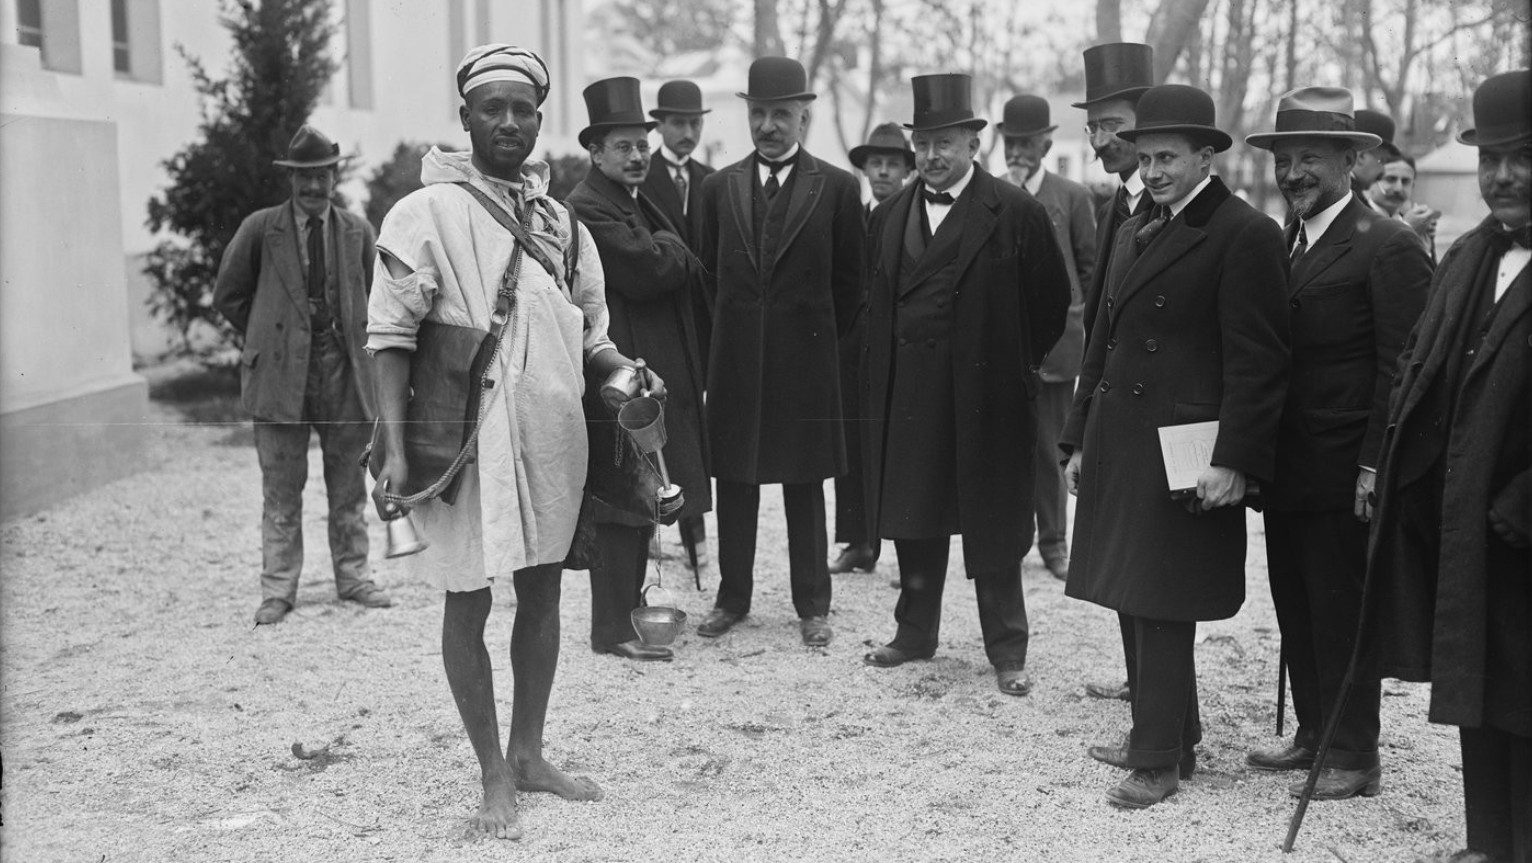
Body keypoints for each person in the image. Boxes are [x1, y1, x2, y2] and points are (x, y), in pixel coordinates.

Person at [366, 44, 659, 840]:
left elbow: (591, 331)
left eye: (522, 109)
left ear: (538, 120)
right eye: (491, 108)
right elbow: (389, 335)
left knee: (543, 590)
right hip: (464, 439)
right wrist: (395, 447)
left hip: (551, 433)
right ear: (465, 117)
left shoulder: (561, 222)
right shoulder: (423, 213)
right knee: (468, 594)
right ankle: (492, 770)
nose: (507, 122)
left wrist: (626, 374)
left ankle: (529, 752)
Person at [1060, 84, 1290, 808]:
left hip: (1187, 450)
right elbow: (1102, 338)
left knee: (1161, 597)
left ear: (1205, 158)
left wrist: (1234, 458)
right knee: (1131, 592)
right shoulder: (1135, 225)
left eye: (1168, 158)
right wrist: (1076, 438)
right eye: (1146, 158)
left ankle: (1156, 759)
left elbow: (1260, 361)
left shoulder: (1244, 233)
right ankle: (1167, 736)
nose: (1153, 171)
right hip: (1122, 437)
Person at [1357, 68, 1530, 863]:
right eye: (1491, 158)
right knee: (1477, 686)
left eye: (1523, 158)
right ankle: (1487, 843)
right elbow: (1421, 368)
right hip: (1469, 520)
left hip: (1521, 522)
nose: (1504, 176)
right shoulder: (1470, 255)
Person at [1243, 87, 1432, 800]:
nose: (1293, 173)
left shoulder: (1388, 244)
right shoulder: (1285, 240)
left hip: (1345, 470)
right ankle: (1315, 733)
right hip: (1288, 468)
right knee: (1296, 602)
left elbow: (1403, 368)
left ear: (1351, 162)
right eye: (1284, 160)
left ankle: (1354, 752)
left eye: (1310, 159)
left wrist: (1374, 464)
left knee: (1340, 609)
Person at [859, 74, 1071, 696]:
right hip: (910, 394)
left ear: (974, 144)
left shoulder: (1016, 212)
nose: (931, 156)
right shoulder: (889, 215)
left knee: (995, 521)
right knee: (913, 513)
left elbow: (1051, 301)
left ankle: (1007, 649)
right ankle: (913, 633)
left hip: (987, 397)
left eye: (944, 143)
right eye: (923, 143)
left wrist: (1010, 364)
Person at [692, 56, 865, 646]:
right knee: (735, 483)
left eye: (781, 114)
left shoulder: (837, 188)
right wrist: (733, 340)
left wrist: (815, 347)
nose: (768, 126)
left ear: (803, 117)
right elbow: (708, 278)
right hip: (737, 364)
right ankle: (732, 599)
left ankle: (813, 604)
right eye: (758, 113)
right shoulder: (717, 189)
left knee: (805, 484)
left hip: (806, 366)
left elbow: (852, 285)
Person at [213, 124, 392, 625]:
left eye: (322, 176)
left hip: (344, 371)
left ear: (334, 177)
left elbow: (378, 298)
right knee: (281, 490)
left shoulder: (357, 231)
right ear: (291, 179)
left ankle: (354, 577)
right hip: (278, 376)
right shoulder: (260, 229)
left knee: (348, 487)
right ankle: (278, 589)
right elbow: (229, 295)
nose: (313, 187)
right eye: (304, 177)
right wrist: (271, 336)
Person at [565, 76, 711, 662]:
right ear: (595, 151)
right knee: (621, 494)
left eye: (643, 145)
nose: (637, 156)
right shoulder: (588, 206)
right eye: (623, 146)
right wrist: (672, 245)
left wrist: (666, 245)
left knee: (642, 491)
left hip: (641, 370)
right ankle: (610, 629)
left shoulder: (628, 200)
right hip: (615, 372)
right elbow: (650, 268)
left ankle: (624, 615)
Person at [1072, 42, 1156, 703]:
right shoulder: (1117, 207)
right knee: (1123, 557)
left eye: (1114, 125)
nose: (1102, 140)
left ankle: (1159, 696)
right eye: (1094, 127)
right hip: (1115, 407)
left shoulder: (1168, 204)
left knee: (1152, 564)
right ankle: (1141, 679)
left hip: (1161, 417)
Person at [997, 93, 1097, 582]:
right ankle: (1009, 539)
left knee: (1051, 446)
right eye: (1010, 143)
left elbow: (1089, 268)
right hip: (1002, 346)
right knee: (1006, 447)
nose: (1017, 152)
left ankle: (1054, 541)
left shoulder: (1071, 196)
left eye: (1026, 143)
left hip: (1056, 345)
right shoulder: (992, 193)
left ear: (1045, 145)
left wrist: (1076, 321)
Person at [831, 122, 915, 577]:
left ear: (906, 170)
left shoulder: (916, 219)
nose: (882, 171)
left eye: (892, 164)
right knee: (852, 444)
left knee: (900, 448)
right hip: (852, 346)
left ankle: (907, 552)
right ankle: (858, 542)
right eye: (875, 163)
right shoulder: (852, 217)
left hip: (899, 348)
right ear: (864, 170)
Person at [642, 78, 714, 573]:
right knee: (661, 422)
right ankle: (655, 526)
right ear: (660, 126)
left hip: (701, 320)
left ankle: (697, 532)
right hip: (660, 317)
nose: (687, 133)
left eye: (694, 123)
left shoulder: (713, 180)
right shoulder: (642, 177)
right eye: (678, 123)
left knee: (694, 425)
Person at [1370, 153, 1440, 258]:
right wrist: (1408, 228)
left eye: (1405, 181)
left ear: (1413, 186)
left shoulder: (1418, 225)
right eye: (1390, 179)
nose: (1398, 188)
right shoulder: (1358, 219)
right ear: (1371, 181)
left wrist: (1424, 252)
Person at [1350, 108, 1397, 212]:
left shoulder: (1348, 192)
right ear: (1362, 157)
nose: (1384, 171)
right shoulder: (1348, 197)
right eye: (1382, 161)